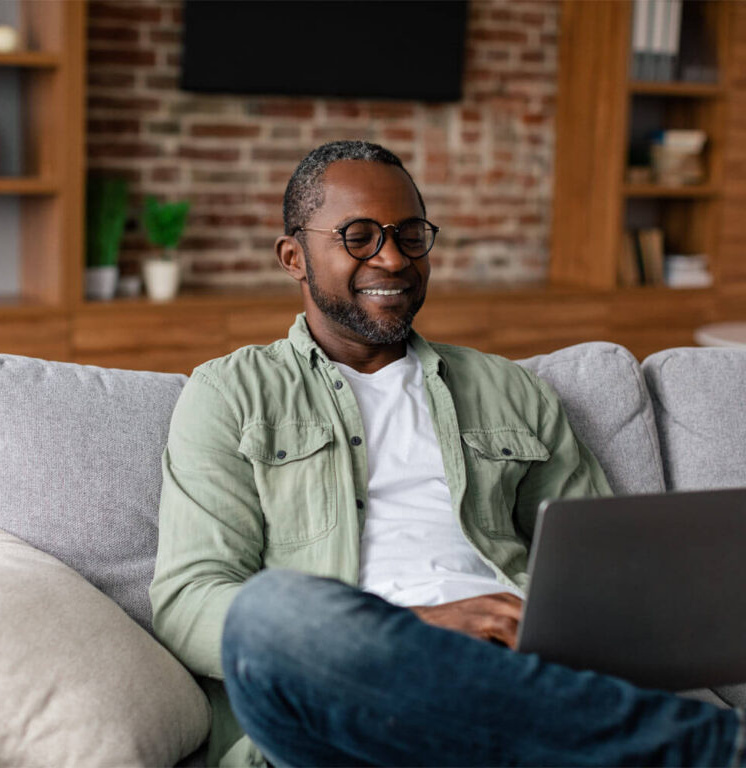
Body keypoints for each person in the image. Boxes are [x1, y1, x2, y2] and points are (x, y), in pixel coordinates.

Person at [150, 141, 745, 767]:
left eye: (410, 235)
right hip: (342, 703)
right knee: (274, 611)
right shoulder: (230, 393)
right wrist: (414, 627)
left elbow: (609, 571)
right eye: (358, 237)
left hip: (514, 676)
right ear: (294, 257)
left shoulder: (510, 389)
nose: (392, 258)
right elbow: (190, 601)